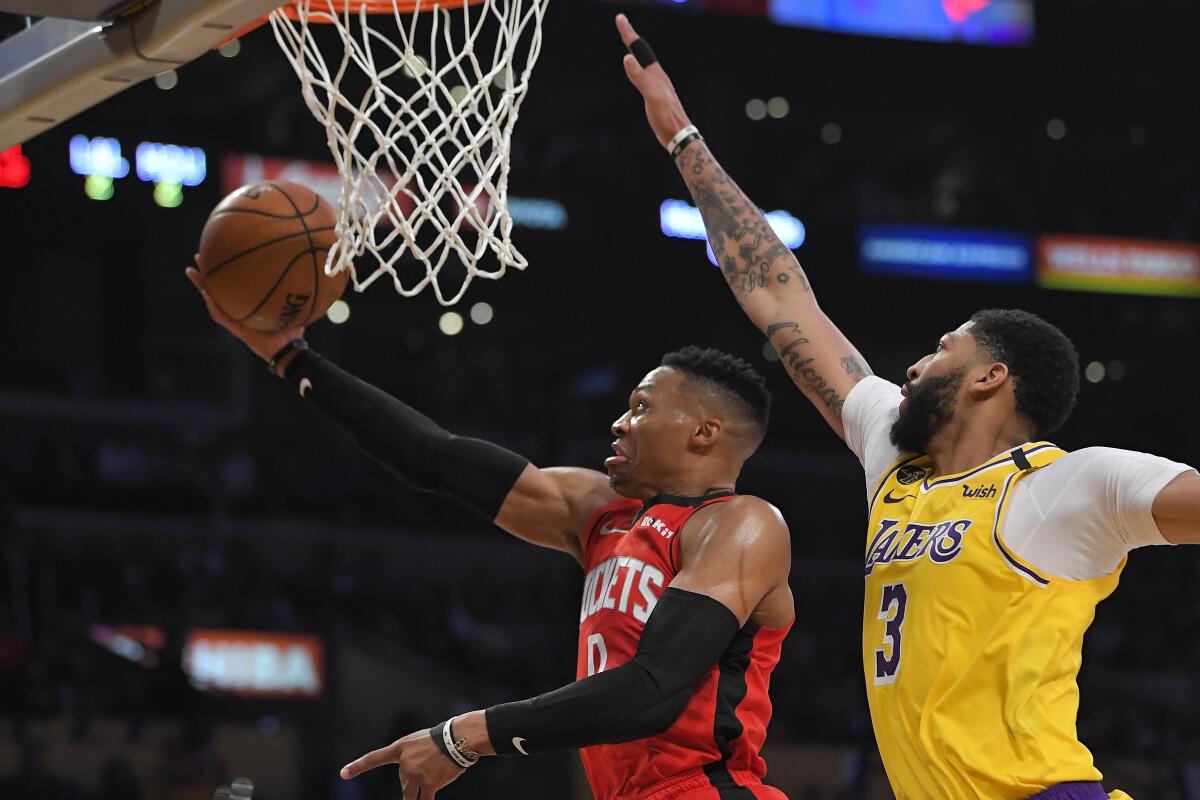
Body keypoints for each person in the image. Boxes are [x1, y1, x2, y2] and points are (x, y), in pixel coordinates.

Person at [613, 13, 1200, 800]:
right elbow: (779, 294)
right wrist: (684, 139)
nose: (916, 362)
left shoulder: (1073, 486)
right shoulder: (893, 452)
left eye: (943, 348)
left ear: (991, 377)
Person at [185, 261, 795, 800]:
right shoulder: (598, 513)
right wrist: (290, 354)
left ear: (704, 433)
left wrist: (466, 736)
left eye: (640, 407)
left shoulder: (741, 524)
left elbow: (654, 689)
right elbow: (435, 458)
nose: (618, 423)